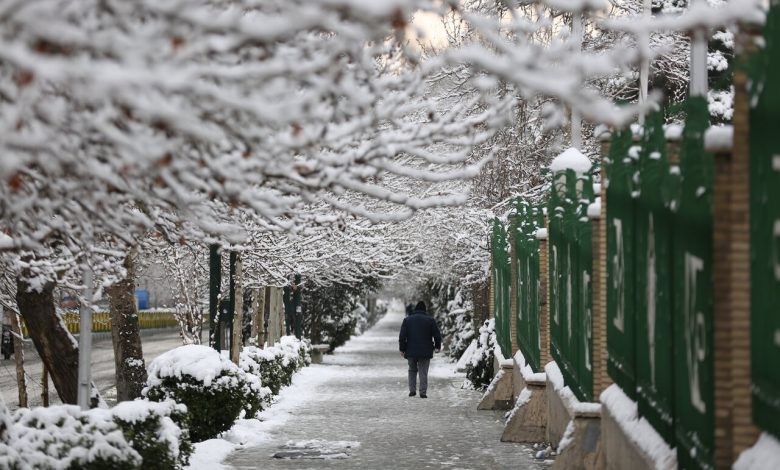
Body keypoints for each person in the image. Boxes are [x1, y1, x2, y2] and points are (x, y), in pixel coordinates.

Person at [399, 301, 442, 398]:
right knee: (423, 371)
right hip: (425, 350)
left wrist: (402, 349)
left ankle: (412, 390)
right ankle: (422, 392)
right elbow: (436, 335)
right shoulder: (430, 320)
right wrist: (437, 346)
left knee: (412, 370)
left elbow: (402, 336)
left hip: (410, 350)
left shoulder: (407, 320)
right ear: (424, 310)